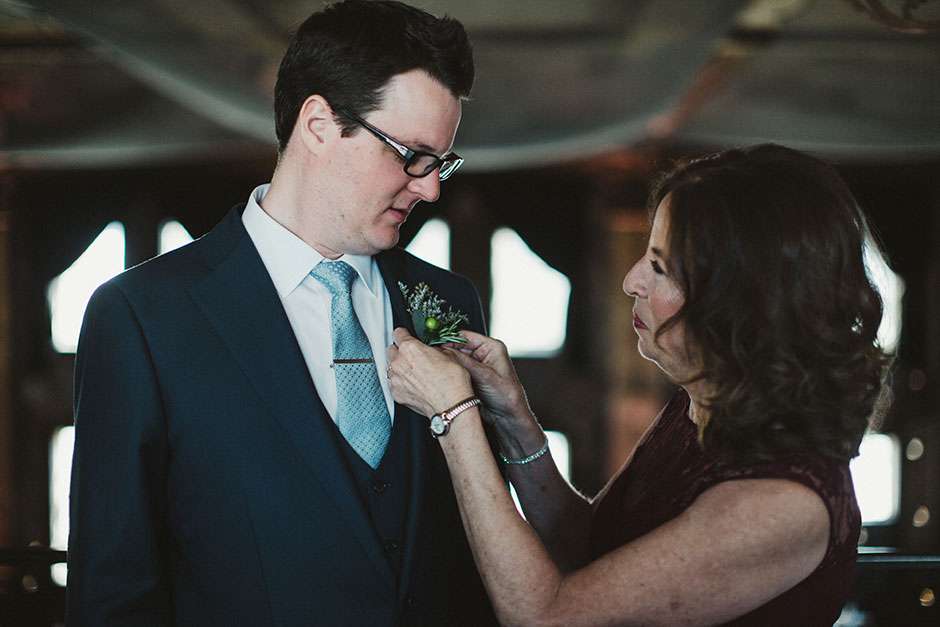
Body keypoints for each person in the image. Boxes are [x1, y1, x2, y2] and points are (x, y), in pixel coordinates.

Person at [67, 2, 497, 625]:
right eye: (411, 155)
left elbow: (471, 554)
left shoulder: (451, 302)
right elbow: (114, 594)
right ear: (319, 125)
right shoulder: (141, 317)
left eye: (440, 164)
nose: (430, 188)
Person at [388, 144, 892, 626]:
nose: (632, 280)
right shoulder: (700, 406)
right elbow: (589, 548)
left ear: (738, 301)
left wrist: (454, 416)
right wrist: (514, 419)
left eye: (660, 267)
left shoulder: (781, 504)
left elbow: (546, 614)